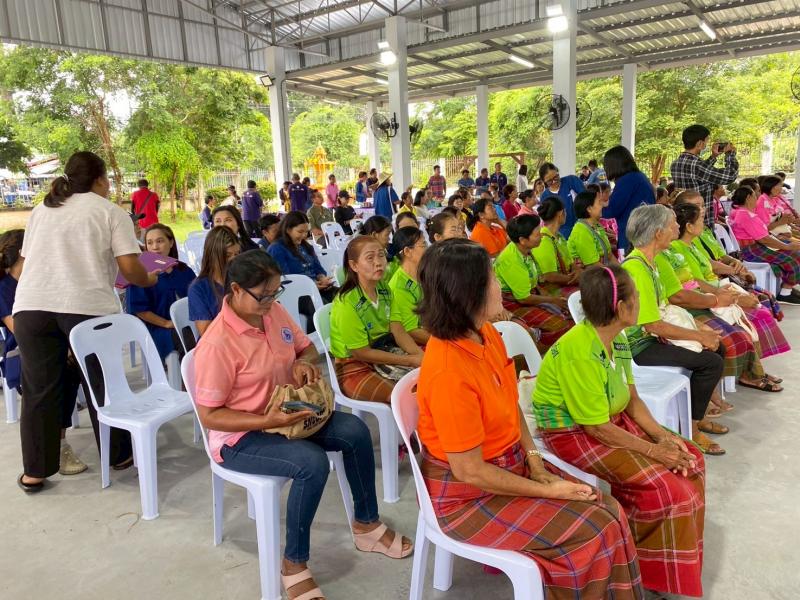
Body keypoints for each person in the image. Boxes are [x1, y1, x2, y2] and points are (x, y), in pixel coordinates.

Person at [415, 238, 644, 599]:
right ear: (468, 292)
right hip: (467, 497)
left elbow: (511, 404)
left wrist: (535, 461)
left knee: (608, 508)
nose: (499, 284)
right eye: (492, 278)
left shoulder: (486, 334)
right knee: (596, 528)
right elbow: (470, 471)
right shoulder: (448, 372)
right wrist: (547, 489)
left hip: (510, 464)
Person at [193, 250, 412, 600]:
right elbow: (210, 415)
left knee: (354, 432)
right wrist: (267, 420)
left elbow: (305, 348)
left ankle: (367, 524)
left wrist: (303, 364)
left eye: (275, 293)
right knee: (311, 463)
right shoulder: (217, 344)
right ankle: (293, 563)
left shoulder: (272, 312)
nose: (271, 302)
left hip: (289, 414)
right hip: (242, 434)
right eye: (263, 295)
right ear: (235, 290)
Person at [533, 265, 705, 598]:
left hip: (608, 422)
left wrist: (663, 437)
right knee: (668, 486)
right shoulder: (579, 353)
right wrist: (654, 451)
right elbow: (595, 427)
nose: (641, 299)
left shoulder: (619, 339)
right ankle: (642, 573)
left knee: (690, 457)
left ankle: (655, 563)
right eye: (636, 295)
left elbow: (632, 400)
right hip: (573, 433)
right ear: (622, 308)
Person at [14, 151, 158, 492]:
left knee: (39, 390)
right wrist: (150, 278)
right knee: (103, 383)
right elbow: (131, 269)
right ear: (100, 180)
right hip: (86, 308)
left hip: (31, 307)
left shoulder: (42, 210)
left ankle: (35, 471)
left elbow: (24, 264)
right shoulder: (109, 212)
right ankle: (119, 454)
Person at [621, 205, 727, 455]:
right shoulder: (636, 268)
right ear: (658, 233)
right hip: (639, 346)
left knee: (718, 348)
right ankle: (693, 429)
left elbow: (666, 308)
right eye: (672, 225)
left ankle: (697, 417)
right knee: (710, 362)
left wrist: (698, 328)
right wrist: (699, 336)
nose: (677, 227)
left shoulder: (650, 263)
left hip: (652, 337)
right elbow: (652, 325)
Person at [0, 229, 88, 476]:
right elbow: (19, 330)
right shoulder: (4, 288)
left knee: (75, 368)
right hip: (23, 354)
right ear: (24, 252)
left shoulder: (38, 281)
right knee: (58, 376)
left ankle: (105, 436)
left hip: (52, 347)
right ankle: (59, 446)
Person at [671, 203, 787, 389]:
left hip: (714, 290)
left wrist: (733, 273)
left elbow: (711, 265)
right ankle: (750, 374)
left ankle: (755, 370)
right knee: (753, 318)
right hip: (703, 297)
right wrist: (725, 296)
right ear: (689, 226)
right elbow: (694, 284)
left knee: (760, 308)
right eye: (700, 218)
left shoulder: (692, 245)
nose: (704, 221)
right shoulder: (676, 249)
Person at [329, 236, 422, 403]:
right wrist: (409, 360)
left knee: (431, 375)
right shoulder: (346, 303)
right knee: (407, 395)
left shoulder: (384, 289)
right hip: (353, 365)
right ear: (354, 265)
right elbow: (361, 352)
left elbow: (398, 330)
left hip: (384, 349)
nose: (378, 262)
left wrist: (419, 355)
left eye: (381, 255)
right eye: (370, 258)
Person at [494, 215, 574, 352]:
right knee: (561, 325)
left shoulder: (525, 251)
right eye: (537, 234)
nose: (541, 236)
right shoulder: (511, 260)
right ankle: (537, 350)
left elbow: (533, 279)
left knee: (568, 312)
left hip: (528, 294)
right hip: (512, 303)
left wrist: (549, 298)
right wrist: (553, 300)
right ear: (523, 240)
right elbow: (523, 298)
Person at [126, 224, 196, 361]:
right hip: (158, 328)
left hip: (187, 322)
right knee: (185, 337)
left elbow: (196, 298)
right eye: (150, 243)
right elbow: (140, 310)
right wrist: (166, 323)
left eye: (160, 241)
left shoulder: (183, 270)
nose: (155, 247)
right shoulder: (141, 275)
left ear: (171, 243)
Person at [728, 185, 800, 303]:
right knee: (793, 256)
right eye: (755, 195)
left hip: (757, 246)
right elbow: (764, 239)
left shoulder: (745, 213)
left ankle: (788, 287)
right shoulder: (745, 215)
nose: (757, 197)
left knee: (794, 250)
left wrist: (784, 242)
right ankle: (785, 292)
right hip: (752, 250)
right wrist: (786, 246)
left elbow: (764, 236)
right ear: (748, 198)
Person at [670, 124, 739, 228]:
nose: (706, 145)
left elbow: (700, 175)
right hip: (700, 222)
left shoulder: (675, 164)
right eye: (706, 141)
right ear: (699, 143)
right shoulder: (697, 165)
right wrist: (730, 154)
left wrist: (713, 157)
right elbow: (730, 176)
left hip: (684, 220)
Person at [267, 211, 337, 306]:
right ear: (288, 230)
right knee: (325, 307)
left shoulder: (306, 246)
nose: (304, 235)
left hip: (315, 288)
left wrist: (322, 278)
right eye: (300, 232)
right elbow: (285, 280)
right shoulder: (277, 249)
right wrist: (311, 286)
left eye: (306, 232)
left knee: (344, 296)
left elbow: (318, 268)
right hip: (296, 295)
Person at [601, 145, 656, 254]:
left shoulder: (627, 180)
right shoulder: (639, 177)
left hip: (631, 237)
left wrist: (596, 206)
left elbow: (612, 210)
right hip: (644, 232)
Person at [188, 226, 241, 336]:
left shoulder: (243, 278)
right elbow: (206, 332)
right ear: (212, 256)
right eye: (227, 255)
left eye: (237, 254)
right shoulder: (198, 288)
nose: (234, 259)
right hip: (217, 342)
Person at [531, 197, 581, 297]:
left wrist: (577, 271)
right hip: (552, 289)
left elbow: (571, 263)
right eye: (565, 211)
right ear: (560, 213)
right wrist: (574, 279)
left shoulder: (559, 236)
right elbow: (550, 276)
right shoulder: (543, 240)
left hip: (566, 281)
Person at [388, 227, 429, 348]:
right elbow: (412, 331)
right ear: (407, 251)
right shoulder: (399, 286)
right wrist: (448, 342)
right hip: (417, 343)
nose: (427, 249)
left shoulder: (425, 272)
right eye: (423, 245)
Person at [568, 190, 618, 267]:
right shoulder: (581, 231)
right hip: (593, 273)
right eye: (599, 202)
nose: (602, 205)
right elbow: (593, 265)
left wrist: (623, 271)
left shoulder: (597, 226)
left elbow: (610, 256)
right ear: (589, 209)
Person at [538, 162, 584, 238]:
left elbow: (587, 200)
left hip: (581, 227)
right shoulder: (545, 196)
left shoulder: (571, 181)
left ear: (557, 172)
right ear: (543, 181)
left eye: (556, 177)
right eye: (549, 181)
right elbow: (548, 221)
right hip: (561, 234)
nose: (554, 181)